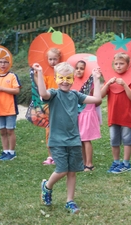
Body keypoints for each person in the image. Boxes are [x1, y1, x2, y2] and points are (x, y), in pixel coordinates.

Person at [34, 62, 101, 214]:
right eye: (61, 78)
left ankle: (69, 201)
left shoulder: (75, 95)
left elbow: (97, 99)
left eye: (68, 78)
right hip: (57, 141)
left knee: (72, 171)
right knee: (62, 169)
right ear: (56, 78)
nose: (65, 81)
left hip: (74, 140)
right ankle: (47, 186)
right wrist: (39, 74)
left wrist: (96, 79)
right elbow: (43, 94)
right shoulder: (54, 94)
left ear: (72, 79)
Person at [100, 52, 131, 174]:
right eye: (116, 64)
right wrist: (108, 84)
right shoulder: (110, 80)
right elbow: (100, 95)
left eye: (121, 64)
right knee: (114, 140)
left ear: (128, 65)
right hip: (113, 115)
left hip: (126, 115)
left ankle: (126, 163)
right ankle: (116, 162)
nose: (118, 66)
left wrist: (124, 85)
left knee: (127, 140)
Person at [29, 48, 61, 165]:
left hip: (61, 104)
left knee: (61, 130)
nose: (52, 62)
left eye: (55, 59)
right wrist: (36, 74)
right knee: (49, 130)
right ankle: (51, 156)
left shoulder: (62, 72)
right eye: (50, 59)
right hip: (49, 105)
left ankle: (61, 154)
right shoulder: (46, 74)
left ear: (59, 59)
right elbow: (41, 86)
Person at [0, 57, 21, 161]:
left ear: (9, 63)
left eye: (5, 62)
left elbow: (16, 90)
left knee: (10, 130)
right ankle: (5, 151)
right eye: (0, 62)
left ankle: (12, 152)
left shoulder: (12, 76)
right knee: (2, 131)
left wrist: (2, 89)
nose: (3, 64)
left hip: (10, 108)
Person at [75, 60, 101, 172]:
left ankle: (89, 164)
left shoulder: (90, 83)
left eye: (82, 68)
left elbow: (98, 100)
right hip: (77, 114)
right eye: (77, 68)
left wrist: (95, 79)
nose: (79, 70)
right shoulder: (73, 82)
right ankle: (83, 162)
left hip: (87, 113)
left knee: (86, 139)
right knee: (80, 139)